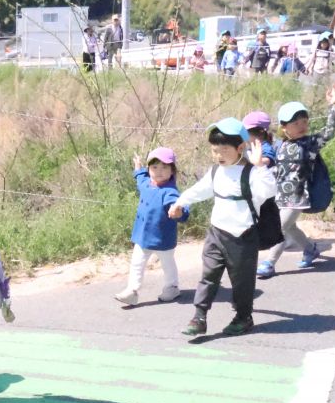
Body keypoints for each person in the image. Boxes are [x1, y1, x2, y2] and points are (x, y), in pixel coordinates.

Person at [168, 118, 276, 336]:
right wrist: (180, 202)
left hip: (243, 237)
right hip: (216, 233)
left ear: (240, 148)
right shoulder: (216, 171)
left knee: (242, 282)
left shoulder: (252, 173)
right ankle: (199, 317)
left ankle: (243, 317)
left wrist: (259, 166)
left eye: (224, 150)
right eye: (215, 150)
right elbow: (201, 189)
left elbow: (269, 190)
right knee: (208, 275)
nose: (218, 155)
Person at [257, 86, 335, 278]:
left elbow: (330, 130)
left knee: (279, 229)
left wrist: (334, 105)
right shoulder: (281, 146)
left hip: (298, 196)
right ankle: (311, 249)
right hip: (280, 196)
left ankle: (269, 263)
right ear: (284, 127)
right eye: (295, 123)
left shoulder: (310, 143)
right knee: (290, 227)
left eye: (304, 121)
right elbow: (278, 170)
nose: (302, 125)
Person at [114, 147, 188, 306]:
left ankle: (172, 287)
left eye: (164, 167)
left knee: (167, 264)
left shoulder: (169, 192)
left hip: (163, 239)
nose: (159, 171)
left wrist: (179, 212)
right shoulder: (148, 184)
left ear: (172, 171)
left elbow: (180, 205)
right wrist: (138, 168)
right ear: (149, 169)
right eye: (154, 167)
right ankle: (132, 291)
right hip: (142, 236)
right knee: (136, 263)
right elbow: (141, 180)